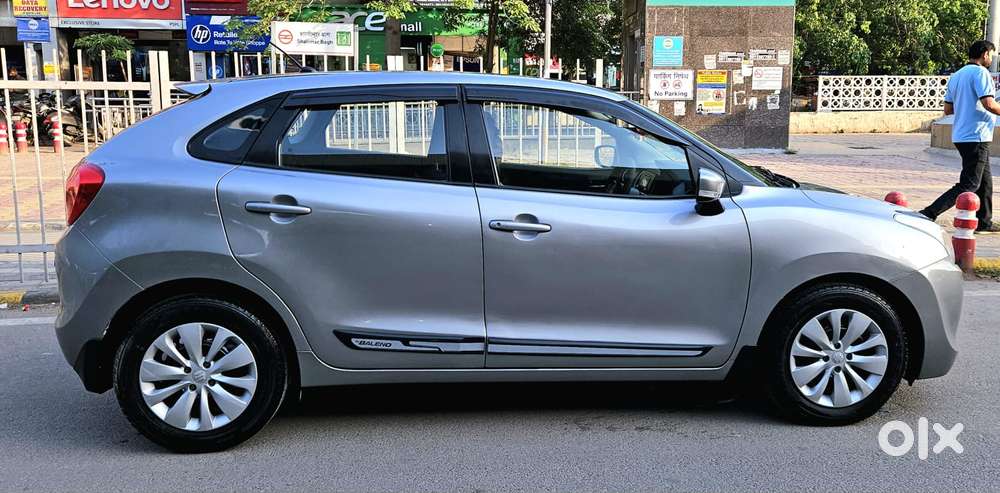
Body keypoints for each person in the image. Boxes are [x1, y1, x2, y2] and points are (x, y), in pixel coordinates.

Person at [920, 40, 1000, 232]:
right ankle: (929, 212)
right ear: (985, 54)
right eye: (991, 54)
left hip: (962, 134)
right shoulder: (981, 73)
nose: (992, 58)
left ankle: (985, 221)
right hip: (976, 135)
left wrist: (966, 107)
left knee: (985, 181)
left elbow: (948, 109)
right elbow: (989, 103)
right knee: (970, 183)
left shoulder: (957, 75)